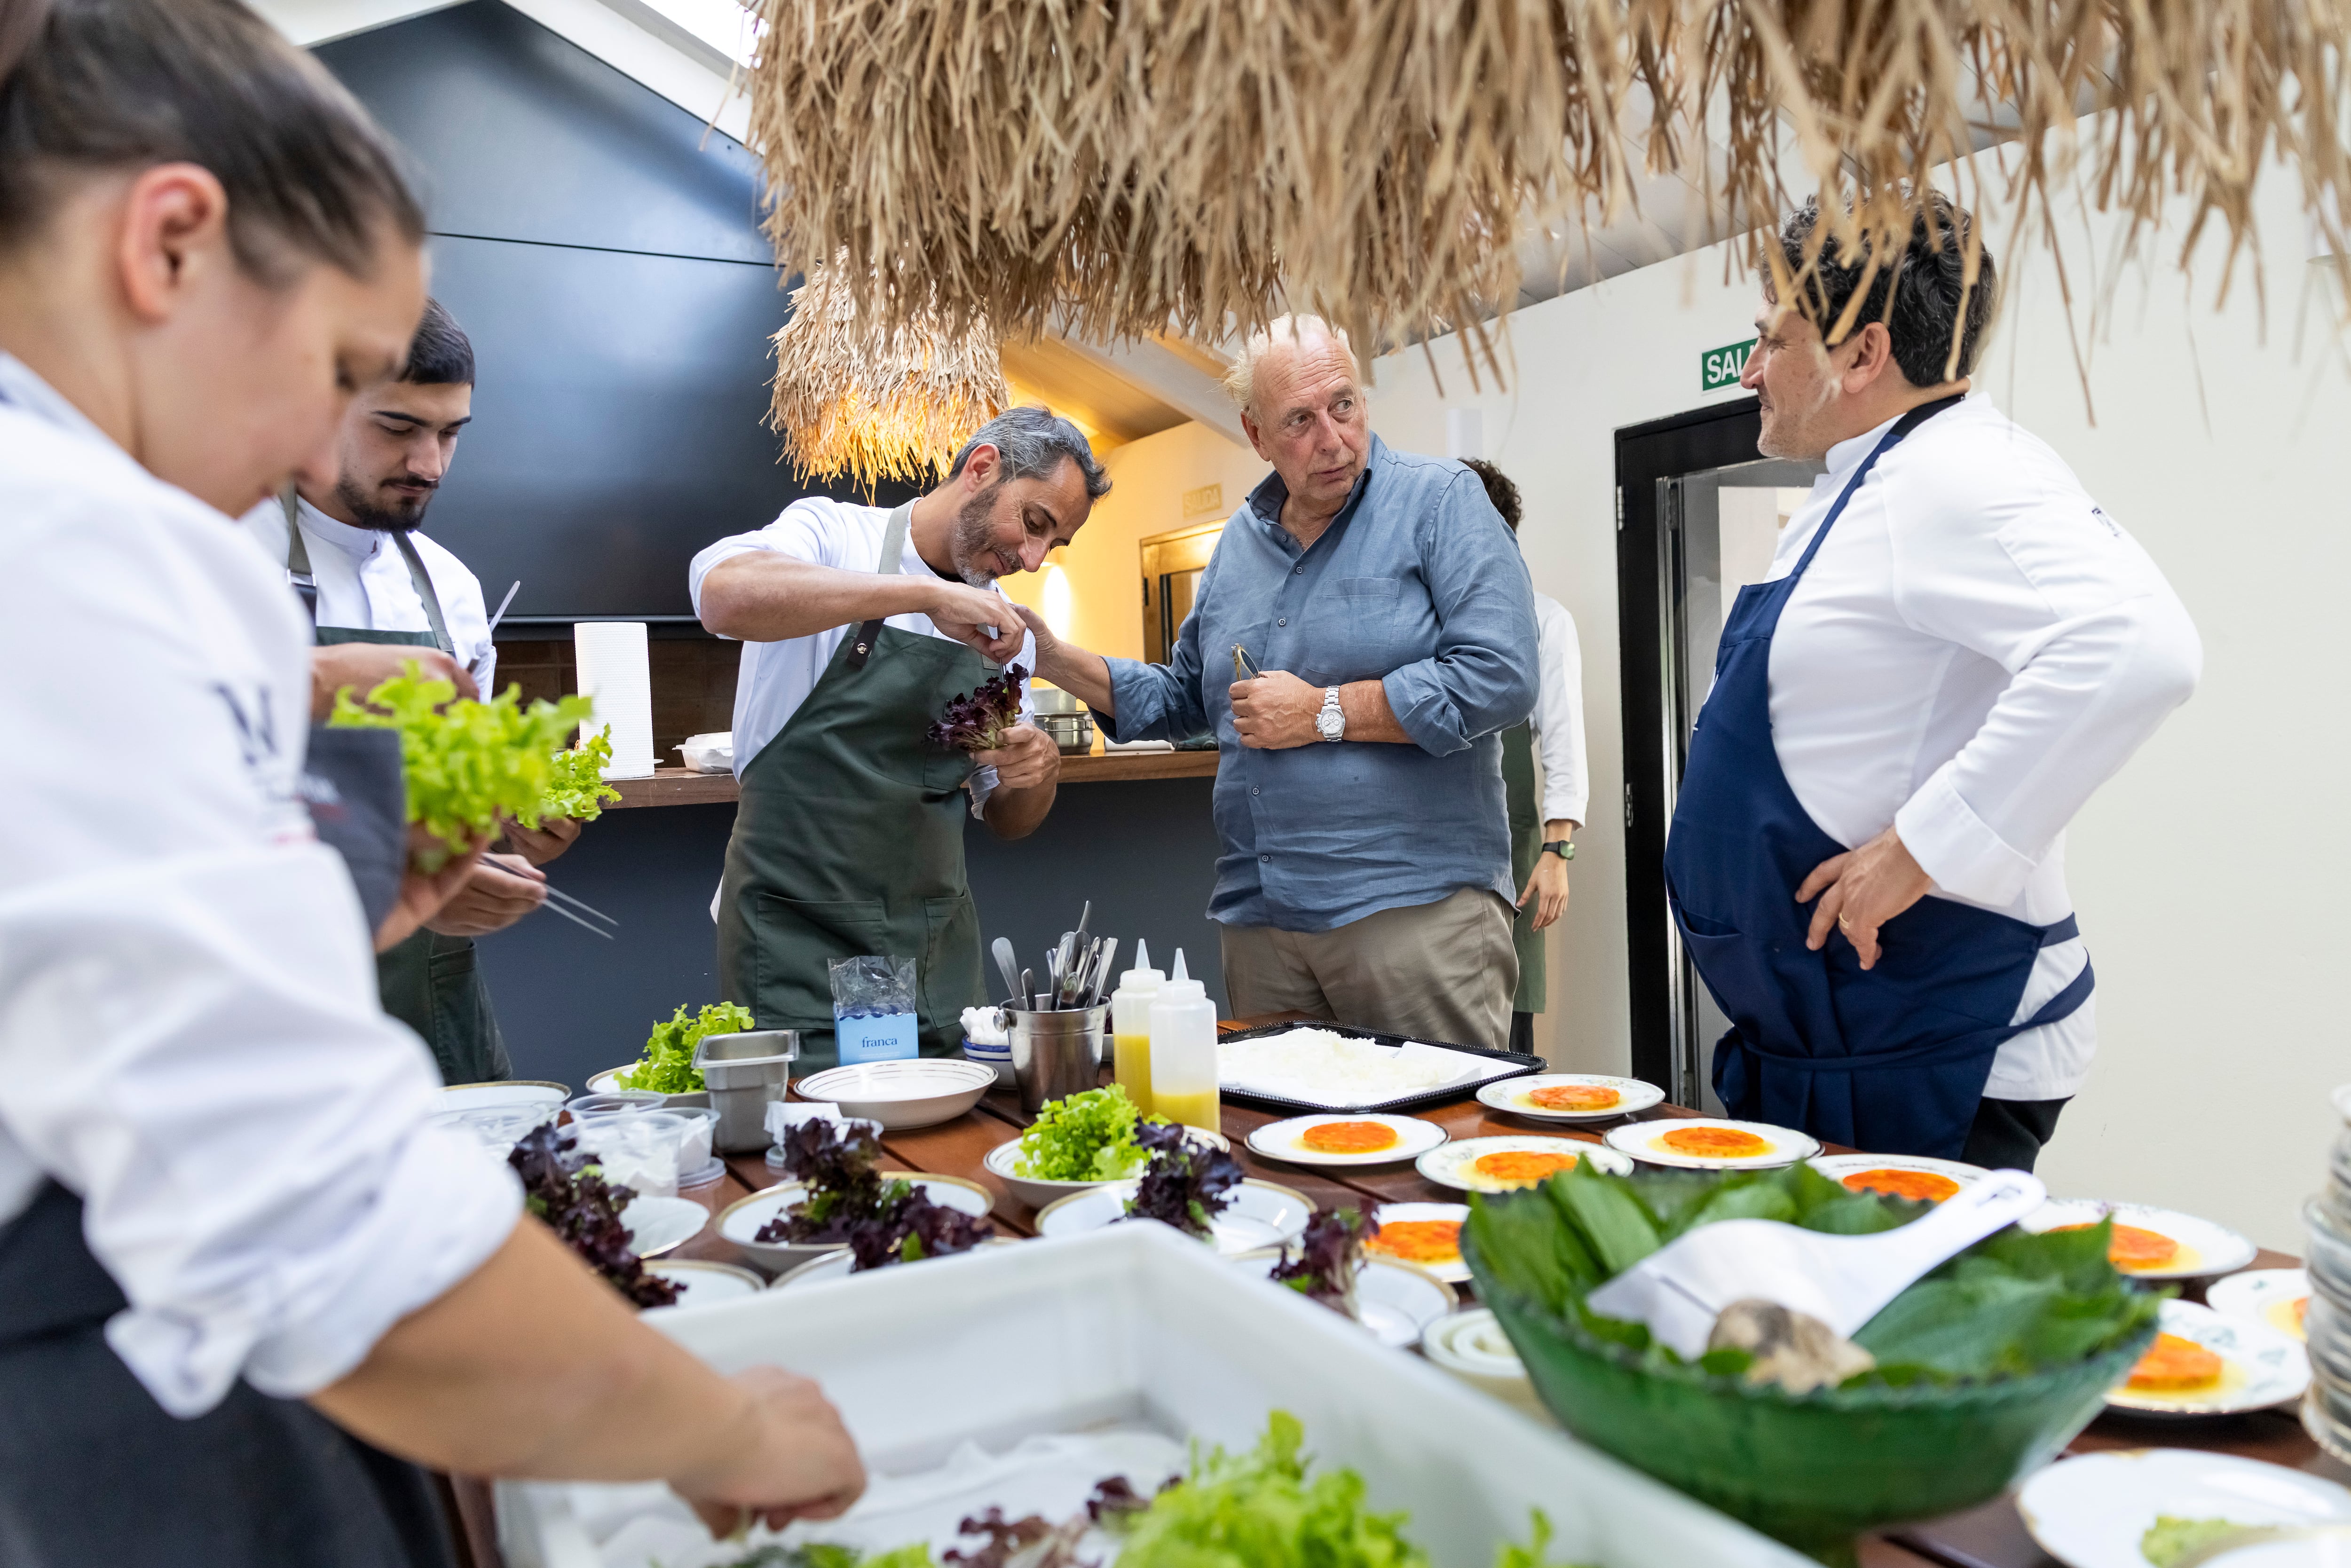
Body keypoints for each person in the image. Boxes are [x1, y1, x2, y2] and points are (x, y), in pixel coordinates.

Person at [0, 4, 861, 1562]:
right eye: (335, 369)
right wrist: (719, 1424)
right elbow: (321, 1235)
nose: (315, 446)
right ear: (172, 245)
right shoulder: (70, 536)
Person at [1666, 193, 2201, 1169]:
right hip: (1841, 1033)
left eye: (1769, 340)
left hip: (1926, 1028)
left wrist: (1921, 847)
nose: (1750, 370)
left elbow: (2140, 643)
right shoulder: (1865, 484)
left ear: (1862, 355)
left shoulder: (1958, 474)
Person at [1018, 316, 1538, 1051]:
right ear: (1256, 434)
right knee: (1283, 1154)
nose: (1331, 437)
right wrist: (1052, 656)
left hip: (1410, 914)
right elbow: (1185, 697)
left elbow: (1503, 675)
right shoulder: (1238, 545)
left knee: (1434, 1145)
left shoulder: (1443, 501)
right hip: (1261, 921)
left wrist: (1325, 711)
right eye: (1299, 419)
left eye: (1344, 405)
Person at [693, 406, 1108, 1065]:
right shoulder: (834, 533)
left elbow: (1007, 816)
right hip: (793, 937)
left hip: (931, 954)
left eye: (1051, 545)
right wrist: (917, 595)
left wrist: (1035, 774)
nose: (1031, 559)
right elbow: (722, 596)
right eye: (1034, 524)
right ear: (981, 468)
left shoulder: (1006, 633)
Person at [243, 297, 562, 1085]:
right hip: (272, 1013)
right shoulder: (224, 547)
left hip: (434, 1006)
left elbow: (455, 815)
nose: (430, 463)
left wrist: (515, 830)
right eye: (397, 427)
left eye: (450, 433)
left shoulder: (450, 589)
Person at [1461, 458, 1588, 1057]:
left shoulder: (1542, 620)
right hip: (1427, 857)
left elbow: (1563, 742)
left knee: (1507, 1031)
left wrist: (1556, 850)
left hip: (1510, 856)